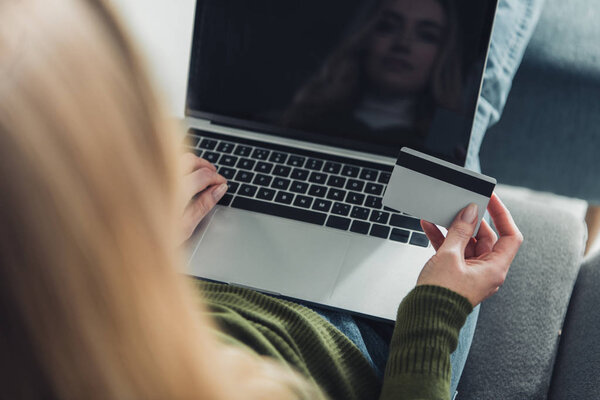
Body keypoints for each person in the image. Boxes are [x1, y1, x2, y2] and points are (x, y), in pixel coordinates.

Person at [0, 0, 523, 399]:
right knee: (474, 107)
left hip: (168, 288)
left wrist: (135, 256)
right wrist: (437, 307)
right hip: (343, 333)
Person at [283, 0, 465, 153]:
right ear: (364, 36)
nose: (402, 44)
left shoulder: (446, 147)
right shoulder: (304, 117)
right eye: (388, 27)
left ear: (443, 54)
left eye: (426, 35)